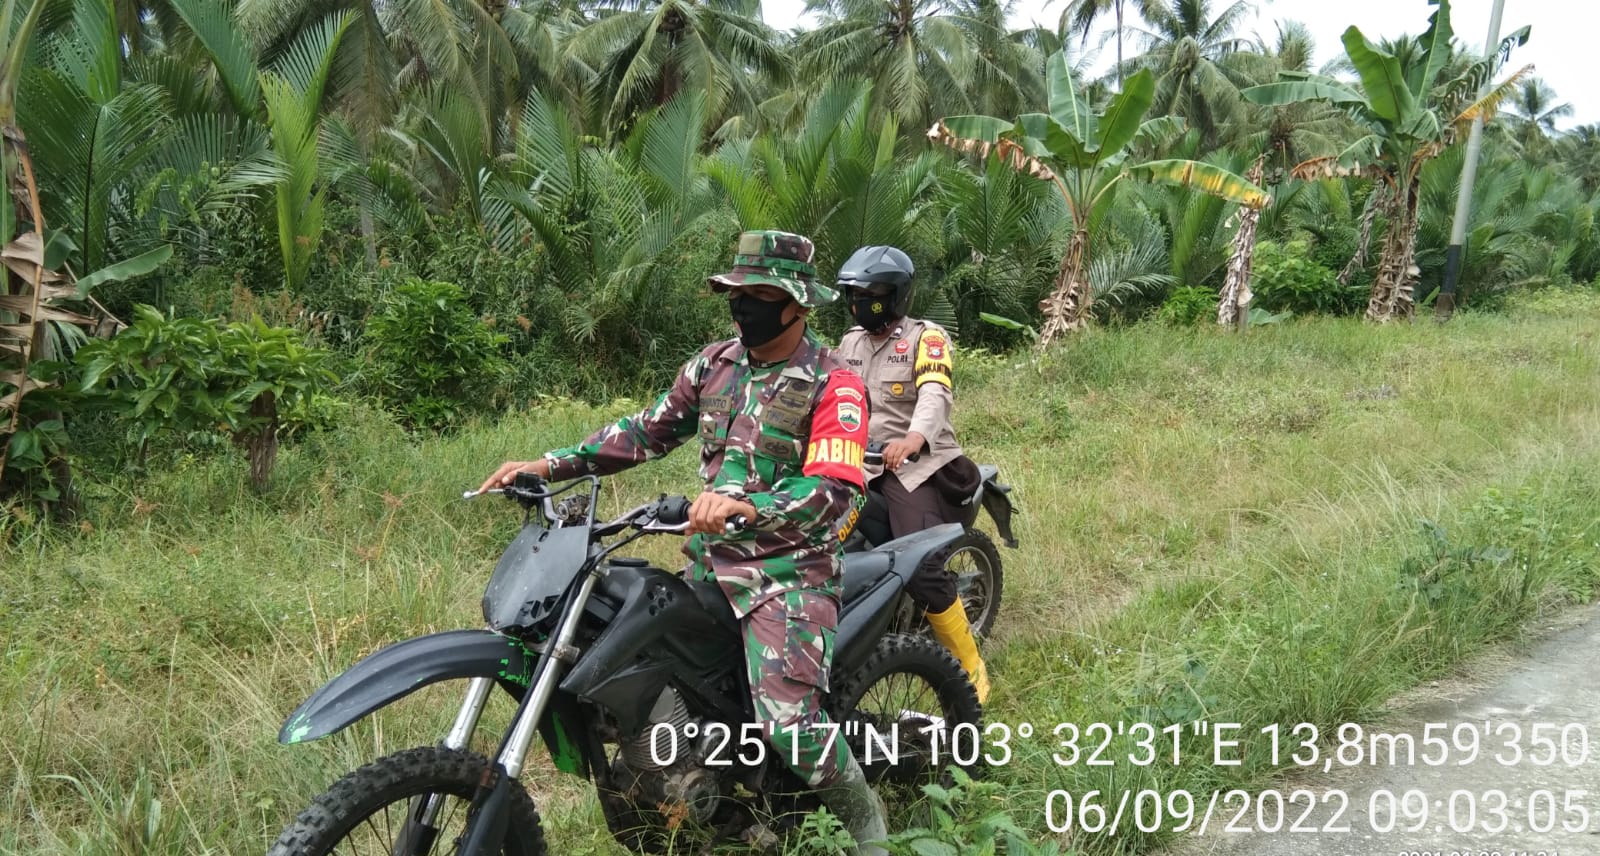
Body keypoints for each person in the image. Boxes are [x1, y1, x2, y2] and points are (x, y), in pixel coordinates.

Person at [477, 230, 888, 856]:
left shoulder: (835, 385)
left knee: (788, 726)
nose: (742, 307)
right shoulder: (714, 364)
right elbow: (647, 431)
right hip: (706, 565)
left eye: (759, 295)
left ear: (798, 304)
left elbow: (835, 492)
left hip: (786, 578)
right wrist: (550, 464)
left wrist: (748, 506)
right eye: (736, 293)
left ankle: (870, 827)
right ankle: (705, 788)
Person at [832, 245, 990, 704]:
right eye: (854, 292)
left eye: (871, 292)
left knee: (921, 568)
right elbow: (832, 395)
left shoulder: (927, 338)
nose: (861, 300)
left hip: (918, 466)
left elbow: (934, 395)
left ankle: (968, 667)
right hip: (863, 463)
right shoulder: (850, 343)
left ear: (895, 293)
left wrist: (914, 439)